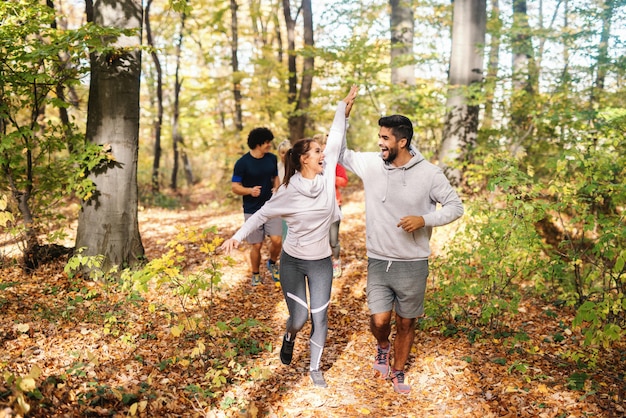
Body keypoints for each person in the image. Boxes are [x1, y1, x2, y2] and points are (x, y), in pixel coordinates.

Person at [221, 86, 359, 388]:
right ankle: (289, 335)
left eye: (322, 151)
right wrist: (237, 236)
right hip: (294, 263)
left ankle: (313, 368)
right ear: (303, 161)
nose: (324, 154)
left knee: (320, 318)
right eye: (317, 152)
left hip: (321, 262)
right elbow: (259, 215)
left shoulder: (325, 181)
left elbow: (335, 139)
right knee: (299, 319)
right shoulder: (287, 192)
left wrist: (341, 109)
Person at [339, 114, 464, 394]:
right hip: (379, 259)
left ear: (403, 141)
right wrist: (343, 118)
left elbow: (456, 207)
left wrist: (424, 219)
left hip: (413, 262)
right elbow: (340, 153)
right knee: (380, 320)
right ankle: (382, 346)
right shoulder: (372, 163)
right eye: (379, 136)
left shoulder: (430, 174)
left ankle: (398, 371)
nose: (379, 142)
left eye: (385, 138)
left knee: (406, 322)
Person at [231, 127, 282, 285]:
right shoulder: (242, 163)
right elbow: (235, 187)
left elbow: (276, 178)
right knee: (256, 245)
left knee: (277, 240)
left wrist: (277, 188)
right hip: (252, 209)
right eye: (267, 142)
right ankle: (255, 274)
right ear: (258, 144)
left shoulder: (272, 159)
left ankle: (272, 263)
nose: (269, 145)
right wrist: (249, 191)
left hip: (271, 207)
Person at [313, 133, 348, 278]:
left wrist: (330, 177)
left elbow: (343, 181)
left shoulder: (334, 164)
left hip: (334, 204)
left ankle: (336, 262)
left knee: (333, 239)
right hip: (316, 206)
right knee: (319, 238)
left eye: (319, 149)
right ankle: (321, 265)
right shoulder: (311, 164)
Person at [276, 139, 292, 241]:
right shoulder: (276, 167)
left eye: (286, 152)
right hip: (281, 203)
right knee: (284, 232)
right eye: (282, 153)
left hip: (294, 202)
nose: (284, 155)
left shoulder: (296, 166)